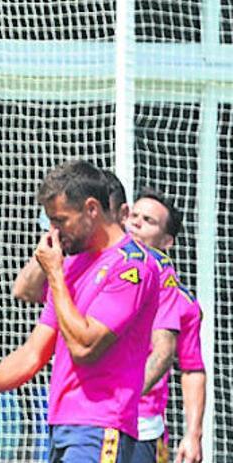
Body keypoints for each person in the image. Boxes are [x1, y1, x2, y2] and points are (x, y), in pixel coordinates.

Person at [0, 160, 160, 462]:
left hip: (100, 426)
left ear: (91, 209)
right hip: (61, 426)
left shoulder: (132, 267)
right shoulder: (74, 263)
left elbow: (85, 346)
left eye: (60, 220)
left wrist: (56, 276)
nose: (55, 231)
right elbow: (34, 353)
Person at [126, 189, 205, 463]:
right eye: (133, 215)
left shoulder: (183, 303)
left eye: (148, 220)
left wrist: (193, 434)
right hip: (90, 420)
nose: (135, 223)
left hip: (144, 428)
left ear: (167, 241)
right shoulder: (100, 273)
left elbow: (192, 369)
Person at [12, 169, 129, 303]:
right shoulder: (76, 262)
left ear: (123, 214)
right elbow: (24, 291)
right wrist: (53, 243)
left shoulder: (135, 264)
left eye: (106, 215)